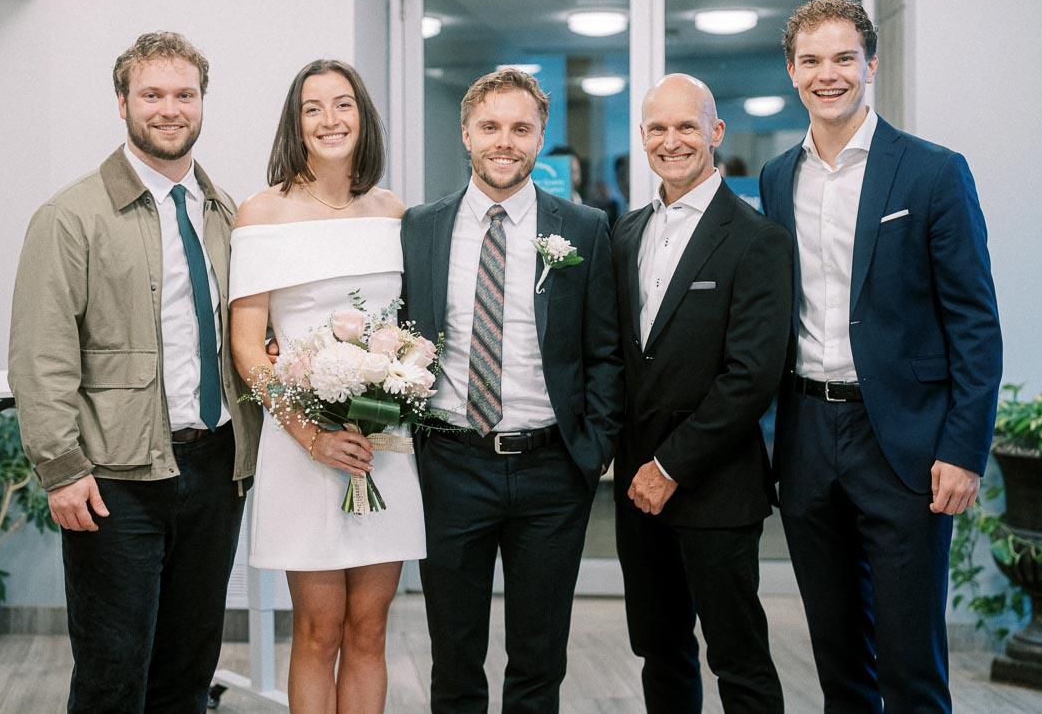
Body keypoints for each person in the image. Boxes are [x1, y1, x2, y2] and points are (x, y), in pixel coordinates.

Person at [759, 0, 1002, 711]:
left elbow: (975, 323)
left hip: (904, 442)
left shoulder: (932, 172)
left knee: (910, 664)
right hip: (807, 437)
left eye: (842, 58)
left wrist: (965, 448)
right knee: (838, 657)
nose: (826, 74)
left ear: (870, 64)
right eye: (810, 60)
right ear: (792, 72)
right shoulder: (778, 178)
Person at [9, 31, 262, 712]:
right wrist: (60, 468)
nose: (170, 108)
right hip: (115, 479)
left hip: (214, 472)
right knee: (112, 673)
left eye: (185, 94)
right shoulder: (70, 217)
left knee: (187, 669)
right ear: (122, 103)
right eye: (152, 94)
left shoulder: (225, 213)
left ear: (203, 103)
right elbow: (41, 354)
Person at [400, 68, 623, 713]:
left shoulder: (583, 228)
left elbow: (604, 348)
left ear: (540, 137)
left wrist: (596, 445)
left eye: (521, 129)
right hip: (451, 464)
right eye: (491, 127)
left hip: (553, 471)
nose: (505, 141)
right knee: (455, 653)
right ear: (466, 132)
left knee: (539, 656)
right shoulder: (421, 227)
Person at [228, 59, 424, 713]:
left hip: (382, 444)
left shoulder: (392, 211)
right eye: (313, 108)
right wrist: (312, 436)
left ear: (363, 117)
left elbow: (402, 329)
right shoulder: (262, 213)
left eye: (343, 105)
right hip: (302, 444)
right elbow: (248, 346)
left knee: (369, 631)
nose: (330, 120)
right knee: (318, 631)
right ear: (296, 123)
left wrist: (383, 398)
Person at [611, 74, 791, 713]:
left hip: (716, 488)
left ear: (715, 133)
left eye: (686, 126)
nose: (671, 140)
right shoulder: (625, 234)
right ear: (642, 138)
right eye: (657, 128)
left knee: (739, 661)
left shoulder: (758, 239)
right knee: (661, 654)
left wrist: (670, 466)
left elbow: (752, 376)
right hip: (638, 492)